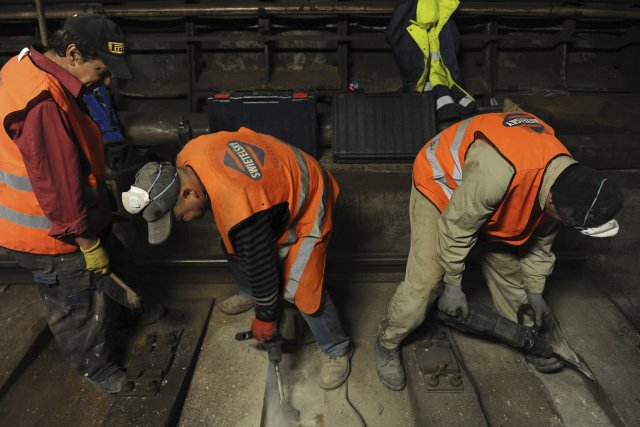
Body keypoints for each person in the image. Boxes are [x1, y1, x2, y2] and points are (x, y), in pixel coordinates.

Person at [374, 111, 624, 391]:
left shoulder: (570, 184)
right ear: (551, 199)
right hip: (442, 185)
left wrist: (535, 291)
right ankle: (387, 342)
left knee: (513, 275)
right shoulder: (498, 172)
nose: (564, 223)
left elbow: (541, 242)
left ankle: (528, 340)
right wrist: (453, 286)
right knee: (426, 283)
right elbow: (456, 228)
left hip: (493, 197)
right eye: (566, 220)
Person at [122, 128, 353, 390]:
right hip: (268, 186)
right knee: (232, 243)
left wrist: (266, 316)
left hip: (309, 192)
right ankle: (250, 292)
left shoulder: (241, 208)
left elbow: (262, 261)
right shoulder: (188, 155)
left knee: (300, 287)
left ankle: (336, 348)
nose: (182, 223)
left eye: (178, 218)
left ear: (189, 193)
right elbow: (249, 238)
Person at [0, 14, 135, 393]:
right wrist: (86, 242)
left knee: (112, 254)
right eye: (102, 70)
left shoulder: (25, 63)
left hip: (68, 214)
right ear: (73, 54)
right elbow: (56, 187)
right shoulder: (42, 102)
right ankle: (97, 368)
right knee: (76, 301)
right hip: (50, 232)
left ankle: (123, 312)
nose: (106, 82)